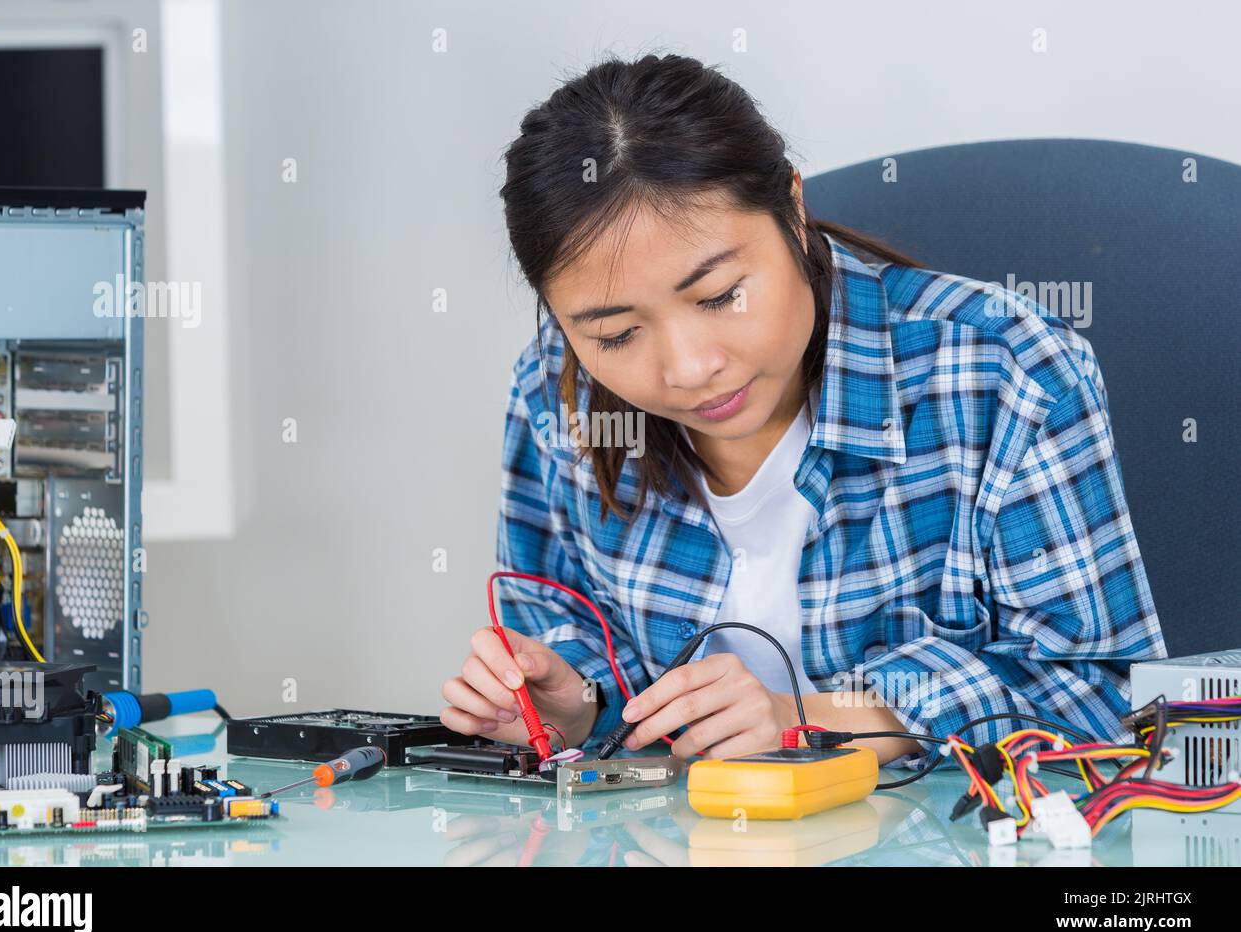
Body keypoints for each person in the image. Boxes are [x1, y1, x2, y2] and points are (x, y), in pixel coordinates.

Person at [439, 53, 1167, 770]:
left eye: (721, 295)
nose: (690, 368)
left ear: (791, 205)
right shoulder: (554, 396)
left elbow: (1104, 699)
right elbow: (568, 648)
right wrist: (576, 705)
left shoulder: (1002, 370)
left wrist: (804, 720)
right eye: (617, 334)